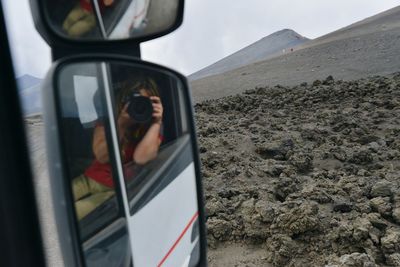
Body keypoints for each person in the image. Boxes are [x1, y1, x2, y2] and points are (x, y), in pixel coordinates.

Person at [72, 77, 163, 220]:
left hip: (114, 190)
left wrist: (156, 122)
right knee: (55, 202)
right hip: (88, 179)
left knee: (71, 214)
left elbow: (140, 158)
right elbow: (102, 156)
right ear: (124, 101)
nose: (139, 106)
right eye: (135, 102)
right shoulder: (107, 122)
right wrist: (121, 124)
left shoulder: (151, 132)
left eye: (146, 103)